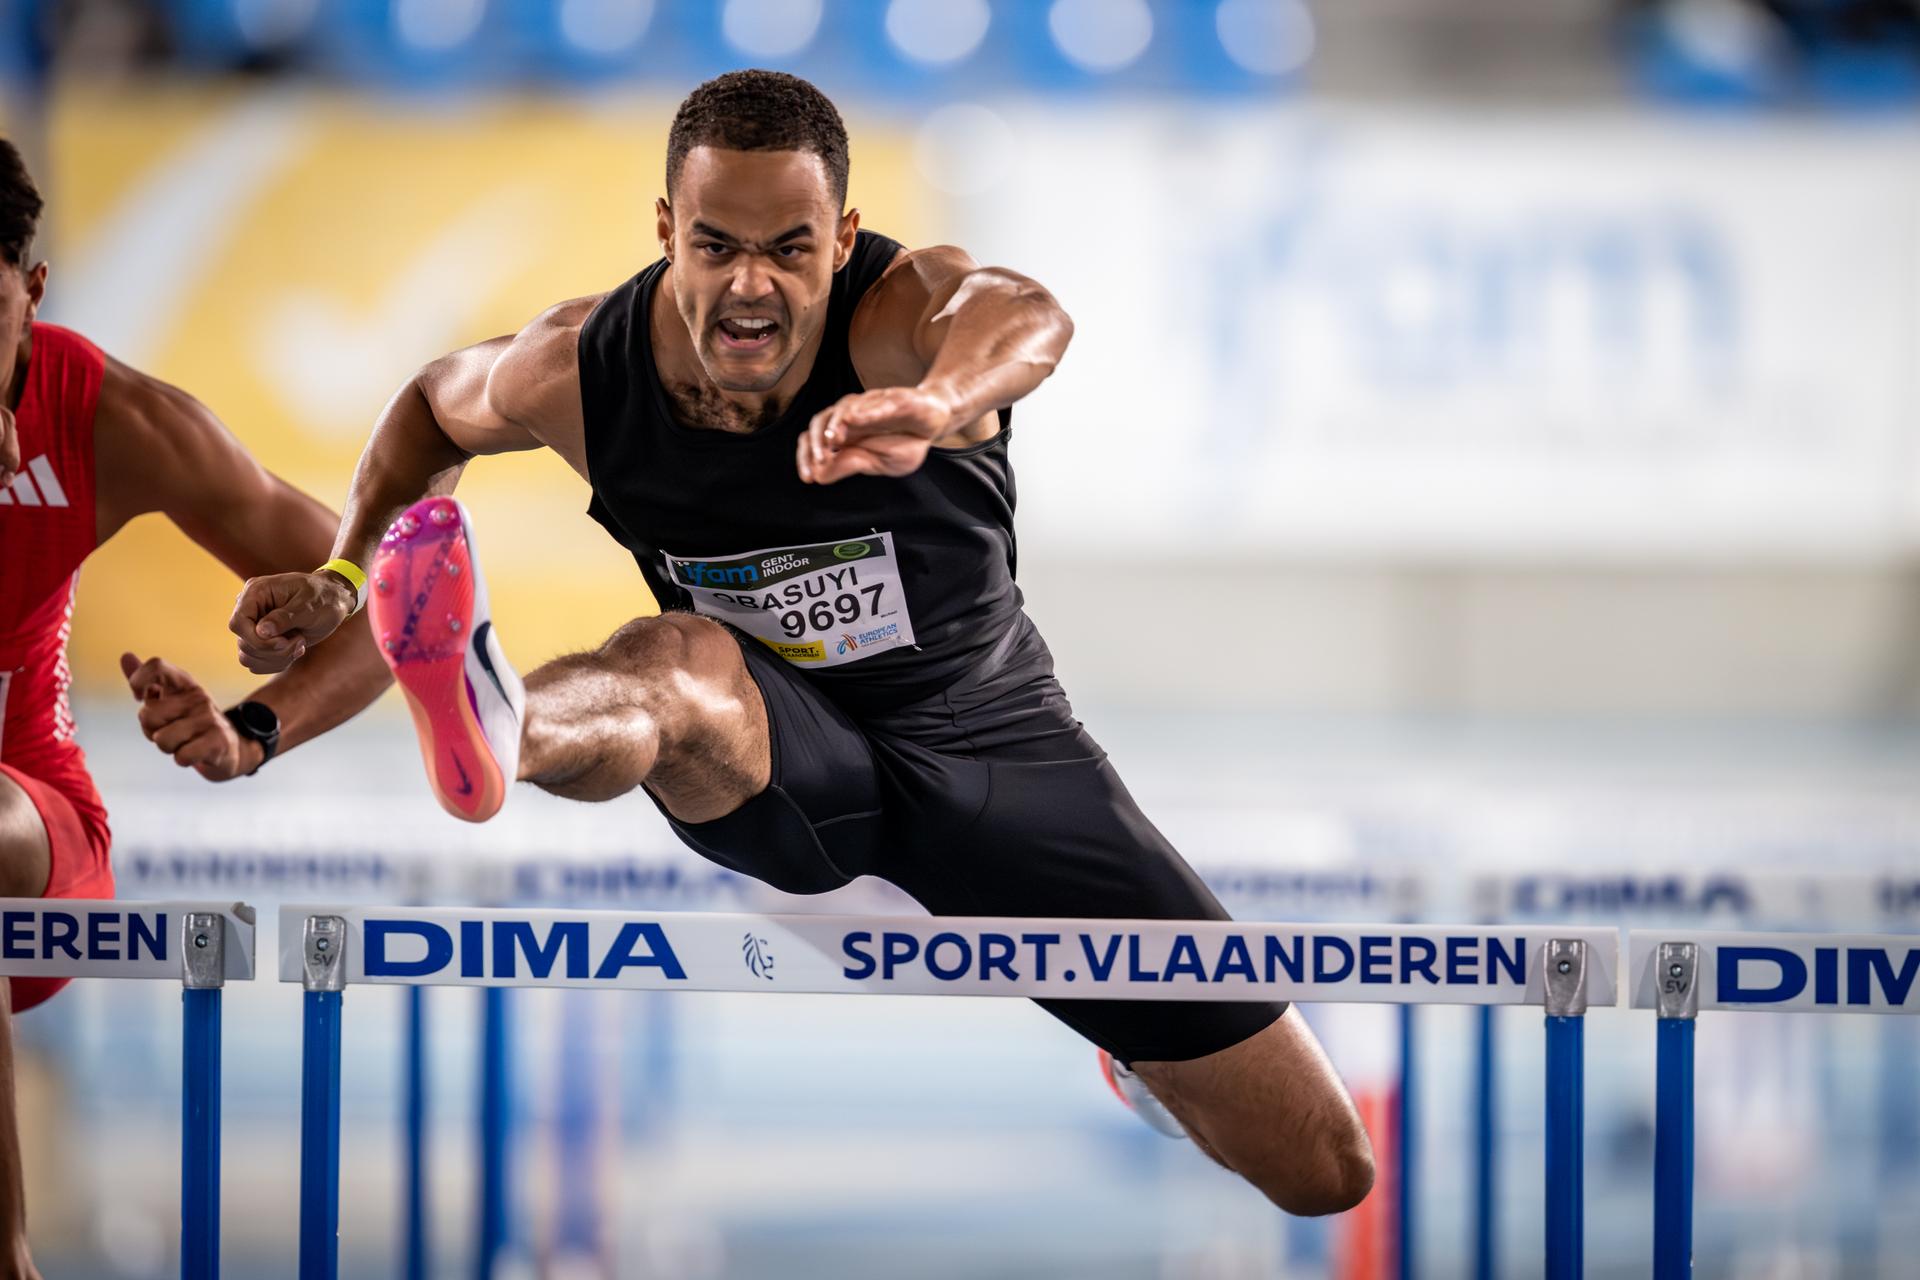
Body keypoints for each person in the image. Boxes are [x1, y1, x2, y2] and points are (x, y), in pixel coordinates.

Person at [231, 70, 1374, 1216]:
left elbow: (1027, 311)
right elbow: (433, 403)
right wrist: (345, 567)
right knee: (672, 661)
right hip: (782, 760)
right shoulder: (576, 369)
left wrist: (935, 404)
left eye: (790, 248)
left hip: (995, 757)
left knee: (1323, 1168)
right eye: (717, 244)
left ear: (845, 241)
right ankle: (501, 722)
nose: (749, 284)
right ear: (666, 231)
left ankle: (1139, 1060)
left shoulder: (897, 325)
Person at [0, 138, 390, 1273]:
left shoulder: (117, 419)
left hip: (32, 828)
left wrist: (252, 727)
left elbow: (388, 613)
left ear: (31, 291)